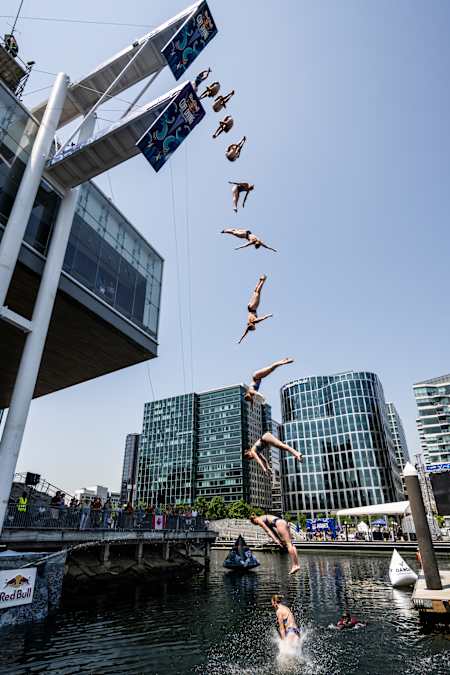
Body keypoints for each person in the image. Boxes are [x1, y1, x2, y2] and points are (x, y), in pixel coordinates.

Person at [238, 274, 273, 343]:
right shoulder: (248, 326)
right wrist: (240, 340)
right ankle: (259, 280)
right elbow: (244, 334)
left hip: (253, 307)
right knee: (255, 292)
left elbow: (262, 318)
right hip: (249, 307)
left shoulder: (254, 321)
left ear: (252, 326)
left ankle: (263, 280)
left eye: (254, 328)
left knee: (258, 293)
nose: (255, 328)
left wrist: (269, 315)